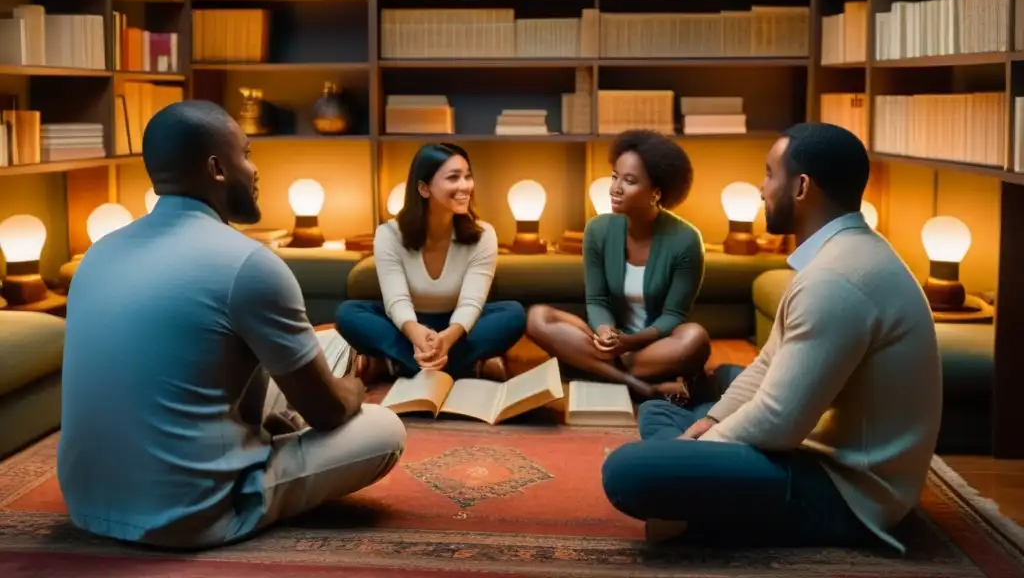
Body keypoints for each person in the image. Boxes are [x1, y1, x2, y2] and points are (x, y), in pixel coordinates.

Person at [58, 100, 406, 551]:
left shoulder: (97, 254)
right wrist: (355, 388)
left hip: (87, 504)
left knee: (329, 342)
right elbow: (330, 413)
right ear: (217, 168)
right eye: (247, 154)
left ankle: (270, 425)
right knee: (383, 429)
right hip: (189, 515)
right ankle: (254, 469)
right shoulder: (249, 264)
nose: (255, 170)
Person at [600, 122, 942, 552]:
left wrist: (699, 450)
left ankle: (689, 510)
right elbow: (767, 364)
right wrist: (708, 425)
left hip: (847, 493)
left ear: (800, 187)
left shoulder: (836, 280)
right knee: (661, 411)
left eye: (768, 174)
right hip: (814, 449)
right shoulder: (844, 254)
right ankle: (691, 495)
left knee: (628, 470)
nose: (761, 190)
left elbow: (780, 423)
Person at [526, 129, 709, 401]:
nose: (615, 188)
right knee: (537, 317)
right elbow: (597, 300)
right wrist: (607, 334)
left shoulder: (686, 240)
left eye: (630, 181)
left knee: (696, 338)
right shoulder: (597, 229)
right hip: (606, 342)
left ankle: (593, 368)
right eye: (615, 176)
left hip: (652, 346)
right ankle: (640, 387)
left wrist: (631, 343)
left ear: (656, 193)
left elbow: (673, 315)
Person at [335, 142, 526, 383]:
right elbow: (396, 300)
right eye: (453, 177)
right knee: (348, 313)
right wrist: (416, 334)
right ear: (424, 188)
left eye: (468, 176)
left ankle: (397, 365)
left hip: (459, 328)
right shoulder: (389, 234)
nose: (465, 186)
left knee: (514, 314)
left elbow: (471, 301)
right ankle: (463, 365)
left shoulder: (483, 234)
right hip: (406, 327)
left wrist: (447, 338)